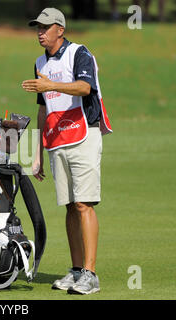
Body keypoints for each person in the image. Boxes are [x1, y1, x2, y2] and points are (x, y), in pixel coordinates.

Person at [22, 8, 112, 295]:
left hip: (84, 134)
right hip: (57, 139)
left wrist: (51, 84)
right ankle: (75, 271)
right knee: (71, 206)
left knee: (85, 203)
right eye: (38, 27)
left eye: (46, 27)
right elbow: (42, 109)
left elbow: (86, 87)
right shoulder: (39, 61)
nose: (40, 31)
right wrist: (36, 152)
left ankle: (90, 273)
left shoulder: (79, 53)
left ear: (60, 29)